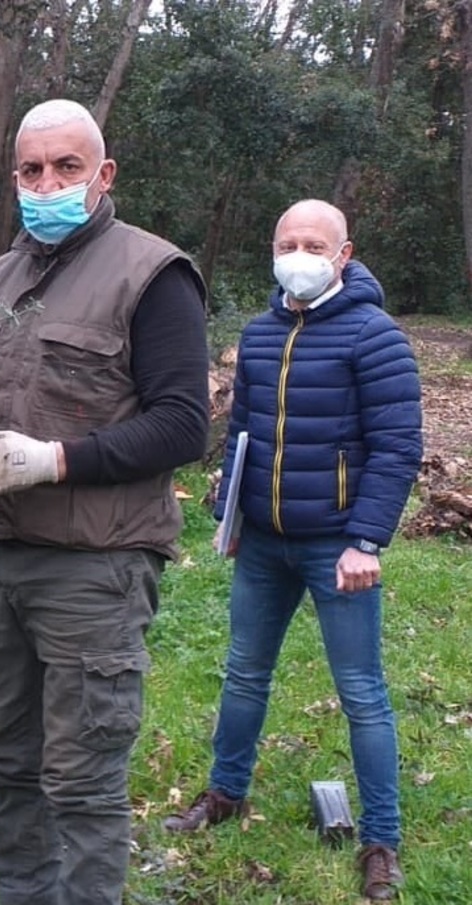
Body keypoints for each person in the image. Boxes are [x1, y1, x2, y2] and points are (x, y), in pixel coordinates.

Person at [0, 98, 210, 905]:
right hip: (4, 565)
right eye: (31, 170)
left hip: (97, 568)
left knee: (83, 783)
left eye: (66, 167)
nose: (45, 182)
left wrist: (51, 460)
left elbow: (185, 426)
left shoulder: (153, 275)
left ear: (103, 174)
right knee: (9, 767)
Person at [162, 199, 422, 901]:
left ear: (343, 254)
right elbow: (243, 431)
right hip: (264, 542)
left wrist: (366, 538)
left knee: (361, 693)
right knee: (244, 673)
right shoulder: (261, 332)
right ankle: (224, 794)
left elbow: (399, 448)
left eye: (314, 243)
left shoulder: (375, 337)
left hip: (337, 546)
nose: (299, 253)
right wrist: (230, 513)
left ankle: (381, 840)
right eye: (287, 241)